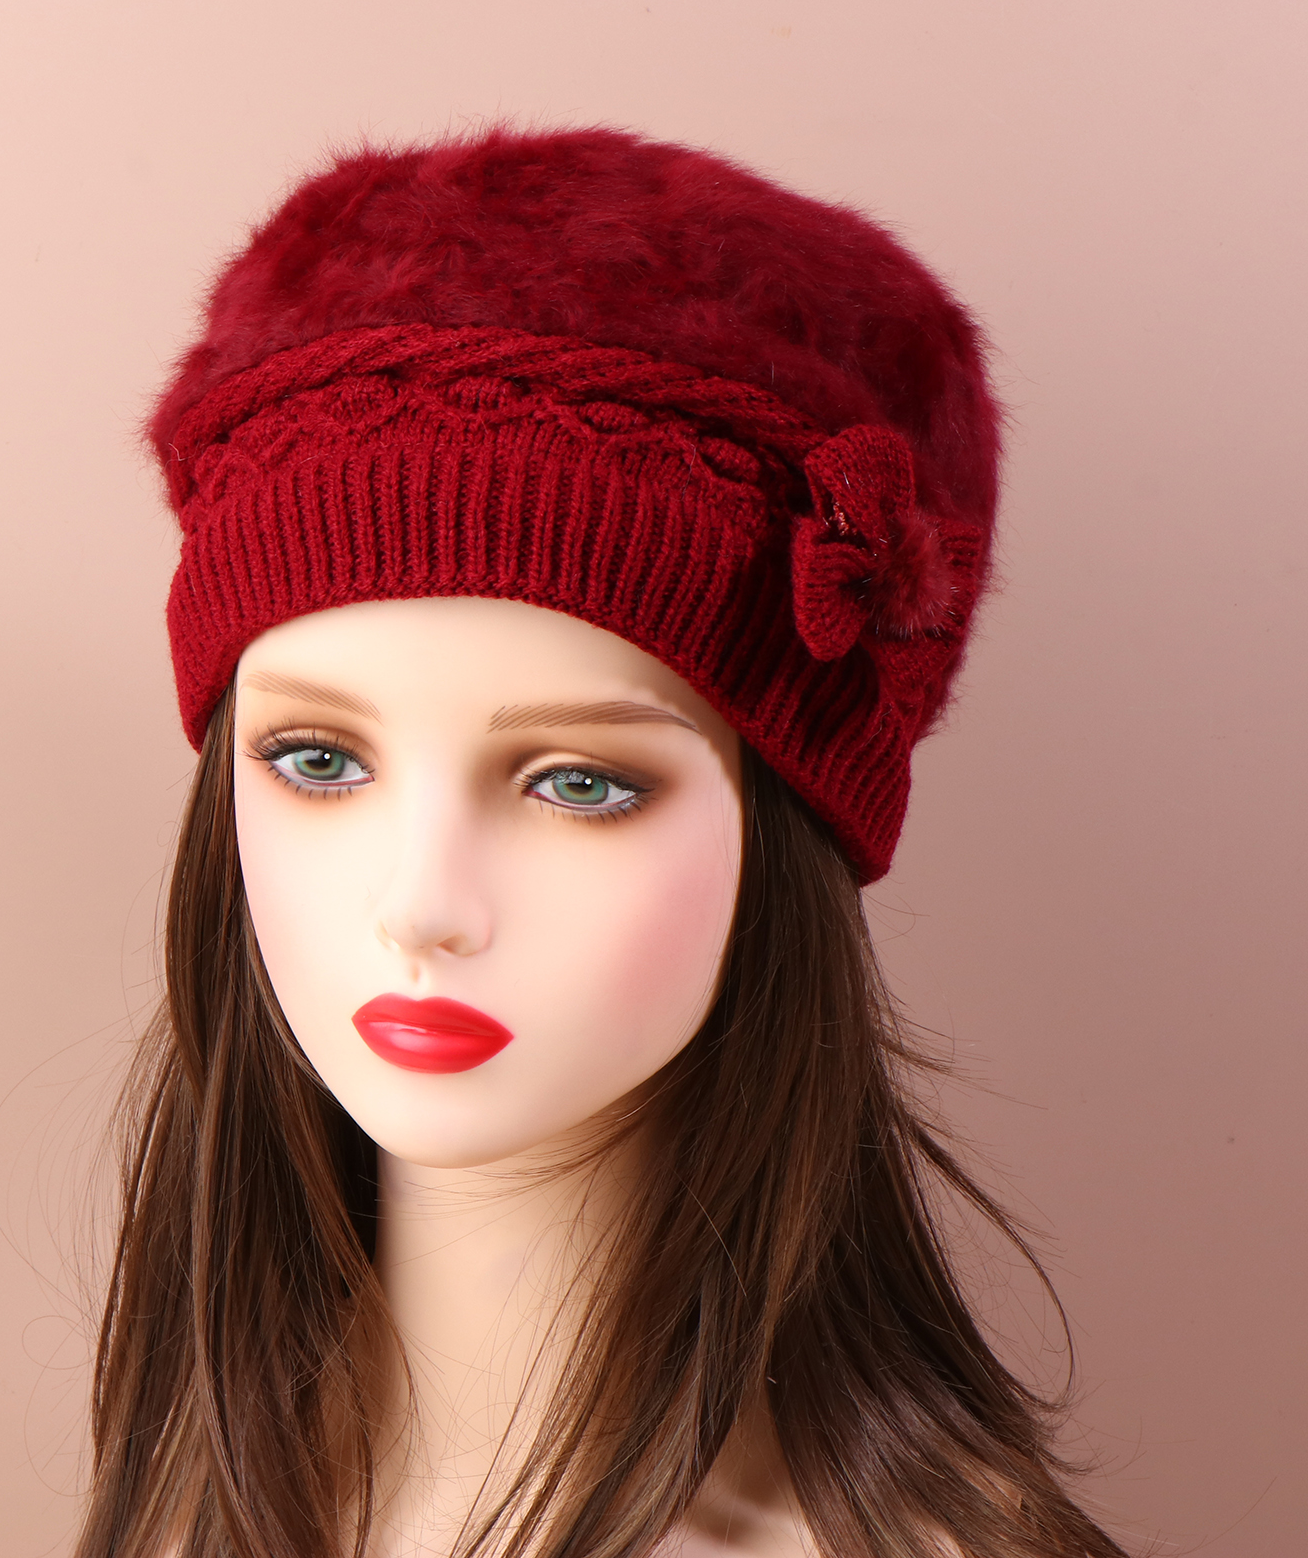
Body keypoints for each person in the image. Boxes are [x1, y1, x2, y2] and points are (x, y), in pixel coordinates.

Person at [74, 127, 1133, 1558]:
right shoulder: (205, 1485)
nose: (422, 905)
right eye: (318, 762)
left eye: (577, 784)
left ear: (781, 838)